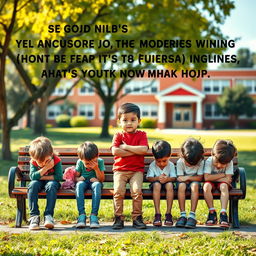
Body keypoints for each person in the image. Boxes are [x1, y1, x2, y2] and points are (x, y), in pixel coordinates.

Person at [111, 103, 149, 229]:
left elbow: (143, 150)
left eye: (133, 120)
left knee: (137, 191)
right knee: (118, 192)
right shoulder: (118, 135)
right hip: (120, 171)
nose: (129, 123)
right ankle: (118, 218)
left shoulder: (142, 135)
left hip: (136, 171)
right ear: (119, 121)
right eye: (125, 120)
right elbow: (115, 151)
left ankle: (137, 218)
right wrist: (135, 151)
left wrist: (126, 147)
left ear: (139, 121)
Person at [28, 136, 63, 230]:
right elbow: (32, 177)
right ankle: (34, 216)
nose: (44, 163)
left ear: (51, 154)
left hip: (52, 183)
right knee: (32, 185)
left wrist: (41, 176)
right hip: (38, 183)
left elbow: (59, 177)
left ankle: (48, 216)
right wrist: (46, 168)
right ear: (33, 158)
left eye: (46, 161)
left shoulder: (56, 160)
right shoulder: (33, 162)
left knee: (51, 185)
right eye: (40, 162)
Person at [203, 139, 237, 228]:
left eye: (223, 164)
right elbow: (206, 177)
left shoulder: (229, 162)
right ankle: (212, 212)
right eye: (217, 162)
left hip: (222, 183)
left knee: (223, 186)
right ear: (212, 154)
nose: (219, 166)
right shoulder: (209, 161)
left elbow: (228, 179)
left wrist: (214, 177)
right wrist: (222, 175)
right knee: (206, 186)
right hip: (210, 182)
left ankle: (223, 213)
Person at [75, 141, 105, 229]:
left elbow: (102, 179)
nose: (90, 166)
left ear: (97, 156)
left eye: (93, 162)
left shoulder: (100, 162)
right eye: (87, 163)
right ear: (81, 160)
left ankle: (94, 216)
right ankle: (81, 215)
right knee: (79, 185)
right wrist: (79, 179)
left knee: (97, 185)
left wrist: (96, 169)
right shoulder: (80, 163)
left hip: (95, 183)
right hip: (83, 182)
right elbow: (75, 178)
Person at [176, 138, 204, 229]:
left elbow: (200, 178)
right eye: (189, 164)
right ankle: (183, 215)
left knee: (195, 185)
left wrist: (187, 177)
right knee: (181, 185)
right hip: (183, 184)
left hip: (194, 184)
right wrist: (188, 178)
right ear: (183, 156)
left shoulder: (200, 162)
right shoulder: (180, 162)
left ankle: (192, 215)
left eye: (194, 164)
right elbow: (180, 179)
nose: (191, 166)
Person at [146, 140, 176, 226]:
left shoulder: (170, 165)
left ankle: (168, 214)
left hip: (167, 184)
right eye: (158, 161)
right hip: (156, 185)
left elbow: (174, 178)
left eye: (164, 161)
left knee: (170, 184)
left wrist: (167, 179)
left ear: (169, 156)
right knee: (156, 184)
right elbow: (149, 178)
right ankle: (157, 214)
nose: (161, 164)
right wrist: (157, 178)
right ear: (154, 158)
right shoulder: (152, 165)